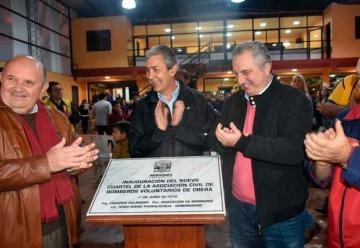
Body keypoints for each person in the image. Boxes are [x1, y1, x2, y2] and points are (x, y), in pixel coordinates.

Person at [214, 41, 313, 247]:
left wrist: (241, 142)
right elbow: (224, 146)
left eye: (246, 72)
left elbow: (293, 150)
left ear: (267, 67)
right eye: (236, 73)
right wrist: (219, 139)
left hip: (281, 212)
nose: (240, 80)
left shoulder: (293, 99)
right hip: (239, 208)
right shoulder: (234, 101)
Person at [0, 55, 99, 248]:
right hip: (12, 230)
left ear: (43, 87)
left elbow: (70, 159)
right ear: (1, 77)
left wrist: (76, 164)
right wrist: (47, 164)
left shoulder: (57, 117)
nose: (18, 87)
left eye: (28, 82)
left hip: (64, 221)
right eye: (11, 78)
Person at [129, 44, 217, 157]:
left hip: (189, 174)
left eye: (155, 69)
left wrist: (178, 129)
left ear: (173, 70)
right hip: (156, 174)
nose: (149, 76)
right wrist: (158, 133)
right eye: (147, 70)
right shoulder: (142, 106)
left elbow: (213, 140)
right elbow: (134, 150)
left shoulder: (196, 100)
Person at [304, 72, 360, 248]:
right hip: (338, 236)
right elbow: (323, 179)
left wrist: (346, 157)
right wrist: (322, 160)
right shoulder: (346, 119)